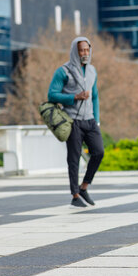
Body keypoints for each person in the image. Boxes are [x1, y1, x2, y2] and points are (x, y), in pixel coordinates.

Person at [48, 37, 104, 208]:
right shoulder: (63, 71)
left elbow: (94, 96)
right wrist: (74, 97)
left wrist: (97, 119)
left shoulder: (92, 70)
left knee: (99, 152)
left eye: (87, 50)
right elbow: (52, 95)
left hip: (90, 120)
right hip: (72, 120)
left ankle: (84, 186)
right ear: (75, 51)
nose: (85, 53)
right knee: (73, 159)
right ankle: (75, 194)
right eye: (81, 50)